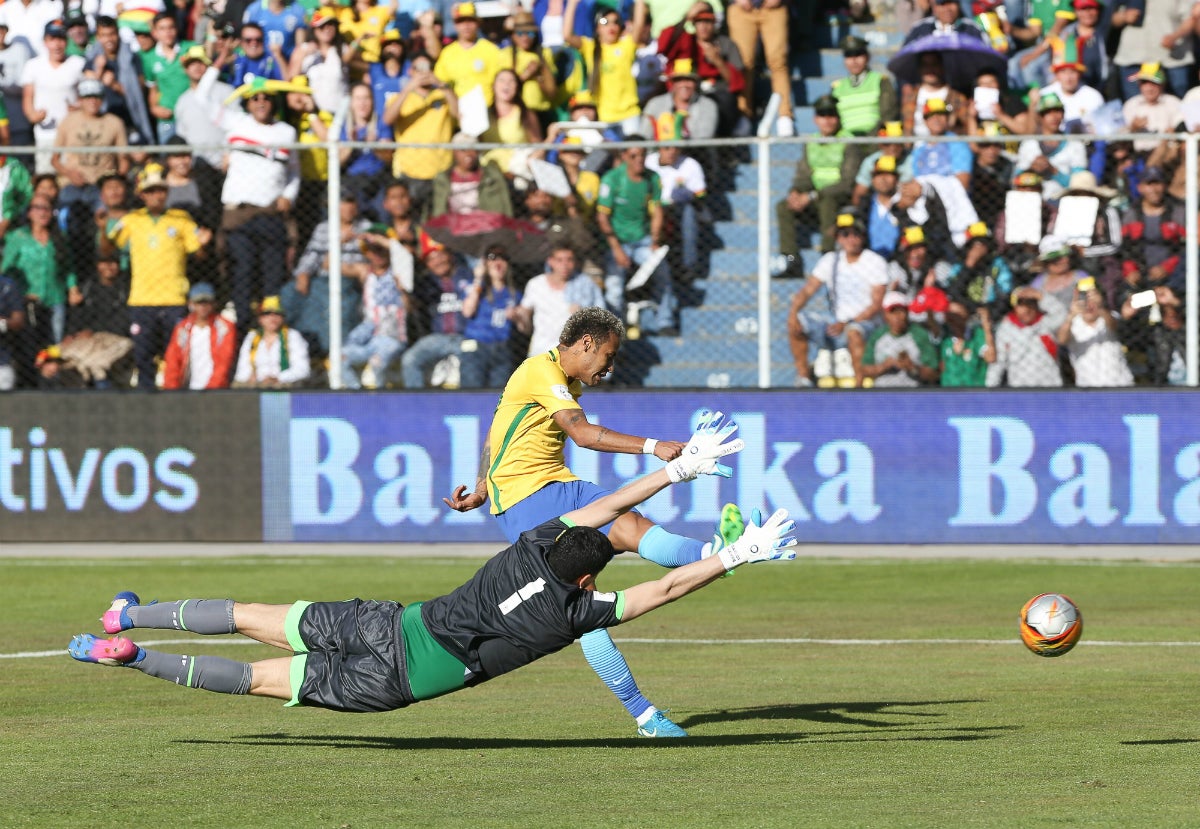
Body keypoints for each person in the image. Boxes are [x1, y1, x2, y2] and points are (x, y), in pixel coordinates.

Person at [70, 415, 796, 721]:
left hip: (387, 624)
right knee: (258, 679)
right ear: (589, 580)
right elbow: (663, 587)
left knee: (252, 617)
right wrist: (735, 554)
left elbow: (603, 506)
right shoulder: (578, 613)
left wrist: (677, 469)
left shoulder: (530, 543)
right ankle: (137, 658)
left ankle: (128, 614)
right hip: (396, 682)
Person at [443, 309, 750, 737]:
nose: (610, 366)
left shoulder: (560, 381)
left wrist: (480, 485)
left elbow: (496, 432)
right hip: (524, 500)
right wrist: (653, 446)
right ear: (586, 343)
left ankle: (715, 555)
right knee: (579, 601)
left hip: (561, 485)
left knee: (631, 527)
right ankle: (645, 716)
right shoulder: (540, 371)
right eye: (609, 355)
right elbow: (583, 435)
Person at [102, 163, 212, 390]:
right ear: (142, 195)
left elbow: (199, 255)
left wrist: (203, 245)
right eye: (150, 191)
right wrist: (104, 229)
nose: (156, 196)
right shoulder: (132, 220)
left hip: (174, 298)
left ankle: (176, 394)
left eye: (160, 190)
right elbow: (107, 250)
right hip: (142, 299)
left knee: (176, 353)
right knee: (143, 354)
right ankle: (146, 397)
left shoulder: (181, 219)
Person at [786, 211, 887, 388]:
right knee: (797, 323)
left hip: (866, 324)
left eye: (855, 234)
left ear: (863, 237)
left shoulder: (874, 261)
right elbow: (808, 290)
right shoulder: (830, 260)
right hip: (836, 322)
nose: (851, 239)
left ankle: (859, 385)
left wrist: (848, 323)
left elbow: (877, 304)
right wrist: (794, 312)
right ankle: (803, 377)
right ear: (838, 238)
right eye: (845, 234)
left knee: (854, 332)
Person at [596, 138, 677, 336]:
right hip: (618, 241)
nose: (639, 159)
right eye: (633, 156)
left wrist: (655, 241)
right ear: (624, 156)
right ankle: (614, 332)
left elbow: (657, 212)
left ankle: (665, 321)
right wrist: (616, 249)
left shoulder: (653, 178)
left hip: (643, 240)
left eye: (642, 155)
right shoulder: (612, 179)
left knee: (662, 271)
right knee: (614, 285)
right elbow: (602, 217)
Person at [773, 95, 861, 270]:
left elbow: (847, 182)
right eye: (822, 116)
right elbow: (803, 175)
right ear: (815, 119)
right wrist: (795, 192)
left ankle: (827, 257)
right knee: (783, 206)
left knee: (827, 203)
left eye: (831, 116)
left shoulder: (848, 141)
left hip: (838, 197)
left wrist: (812, 196)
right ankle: (790, 259)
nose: (827, 121)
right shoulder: (811, 142)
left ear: (838, 118)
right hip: (814, 197)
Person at [655, 2, 745, 136]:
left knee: (725, 103)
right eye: (699, 22)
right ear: (693, 24)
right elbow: (664, 46)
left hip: (718, 95)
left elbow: (738, 83)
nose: (703, 26)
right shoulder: (686, 41)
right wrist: (686, 17)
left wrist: (718, 61)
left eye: (708, 21)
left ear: (714, 23)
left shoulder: (726, 44)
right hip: (688, 94)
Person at [562, 0, 646, 134]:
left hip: (629, 114)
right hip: (604, 116)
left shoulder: (626, 45)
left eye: (616, 22)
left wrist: (639, 2)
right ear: (597, 28)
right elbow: (567, 35)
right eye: (605, 22)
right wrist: (572, 3)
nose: (611, 26)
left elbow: (639, 25)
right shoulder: (590, 48)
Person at [340, 232, 408, 389]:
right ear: (367, 253)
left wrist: (379, 239)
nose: (378, 255)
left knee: (377, 363)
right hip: (368, 335)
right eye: (373, 251)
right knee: (339, 358)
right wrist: (341, 243)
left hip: (391, 336)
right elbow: (328, 264)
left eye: (381, 250)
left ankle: (378, 398)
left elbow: (404, 255)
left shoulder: (398, 272)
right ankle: (357, 395)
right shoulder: (365, 272)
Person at [400, 240, 472, 388]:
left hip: (466, 337)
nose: (437, 262)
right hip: (438, 338)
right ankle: (416, 400)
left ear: (450, 255)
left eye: (440, 255)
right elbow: (412, 307)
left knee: (471, 360)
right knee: (409, 359)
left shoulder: (468, 275)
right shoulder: (426, 283)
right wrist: (403, 292)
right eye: (431, 259)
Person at [516, 242, 606, 356]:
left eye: (569, 260)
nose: (565, 265)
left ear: (575, 262)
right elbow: (524, 318)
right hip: (541, 352)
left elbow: (602, 320)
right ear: (550, 261)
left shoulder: (587, 286)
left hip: (572, 355)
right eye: (559, 260)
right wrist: (519, 315)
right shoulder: (536, 284)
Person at [21, 20, 86, 175]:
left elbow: (88, 95)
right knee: (46, 176)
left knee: (72, 175)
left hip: (73, 133)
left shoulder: (78, 63)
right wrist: (32, 115)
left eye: (61, 39)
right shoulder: (33, 65)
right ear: (45, 42)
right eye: (52, 39)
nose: (57, 45)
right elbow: (28, 96)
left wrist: (80, 107)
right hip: (45, 133)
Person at [725, 0, 792, 135]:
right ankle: (743, 114)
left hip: (774, 8)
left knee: (778, 62)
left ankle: (785, 115)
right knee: (743, 64)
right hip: (741, 8)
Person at [459, 243, 519, 388]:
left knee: (499, 395)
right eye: (492, 257)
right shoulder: (477, 287)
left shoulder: (514, 294)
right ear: (485, 263)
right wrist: (478, 279)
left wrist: (517, 316)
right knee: (471, 392)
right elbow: (467, 311)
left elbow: (525, 327)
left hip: (501, 348)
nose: (498, 262)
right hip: (475, 346)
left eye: (503, 258)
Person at [1055, 276, 1134, 386]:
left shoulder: (1109, 316)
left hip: (1120, 384)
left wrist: (1100, 307)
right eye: (1083, 297)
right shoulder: (1072, 323)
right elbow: (1061, 340)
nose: (1088, 304)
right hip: (1088, 387)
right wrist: (1071, 315)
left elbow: (1114, 326)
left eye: (1092, 296)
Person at [161, 281, 238, 390]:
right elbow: (172, 361)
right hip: (189, 389)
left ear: (214, 303)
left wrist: (210, 390)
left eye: (207, 302)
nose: (203, 306)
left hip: (216, 390)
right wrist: (173, 391)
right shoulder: (182, 329)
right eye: (198, 303)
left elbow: (224, 362)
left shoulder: (224, 328)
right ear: (191, 304)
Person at [985, 286, 1064, 387]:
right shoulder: (1006, 329)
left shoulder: (1046, 323)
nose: (1026, 309)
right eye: (1021, 305)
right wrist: (990, 388)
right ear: (1014, 307)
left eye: (1030, 304)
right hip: (1020, 388)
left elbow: (1062, 314)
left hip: (1050, 387)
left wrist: (1040, 295)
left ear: (1036, 305)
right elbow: (998, 363)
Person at [861, 290, 940, 387]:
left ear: (907, 313)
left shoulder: (919, 334)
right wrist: (884, 366)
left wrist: (912, 368)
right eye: (893, 312)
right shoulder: (877, 336)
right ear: (885, 315)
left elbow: (934, 373)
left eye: (901, 311)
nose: (897, 317)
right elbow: (865, 369)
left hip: (912, 391)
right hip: (883, 391)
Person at [233, 295, 312, 388]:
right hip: (255, 385)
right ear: (260, 319)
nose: (272, 317)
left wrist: (278, 378)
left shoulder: (293, 336)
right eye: (267, 313)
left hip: (283, 384)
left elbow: (303, 370)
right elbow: (241, 370)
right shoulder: (252, 337)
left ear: (283, 318)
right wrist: (251, 377)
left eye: (277, 313)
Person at [434, 2, 502, 106]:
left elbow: (500, 82)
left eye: (470, 20)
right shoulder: (447, 53)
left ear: (478, 23)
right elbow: (440, 82)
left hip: (486, 108)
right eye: (461, 21)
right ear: (455, 25)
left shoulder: (491, 50)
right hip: (458, 110)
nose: (466, 26)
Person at [830, 35, 898, 138]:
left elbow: (888, 114)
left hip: (876, 138)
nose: (854, 60)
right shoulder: (837, 87)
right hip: (845, 141)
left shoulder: (880, 81)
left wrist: (870, 137)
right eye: (849, 56)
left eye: (858, 54)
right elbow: (833, 120)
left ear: (867, 57)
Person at [639, 59, 718, 142]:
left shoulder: (708, 105)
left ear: (696, 83)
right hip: (659, 149)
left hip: (695, 150)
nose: (684, 84)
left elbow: (704, 138)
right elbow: (644, 135)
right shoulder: (655, 104)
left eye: (689, 80)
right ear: (673, 83)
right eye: (679, 80)